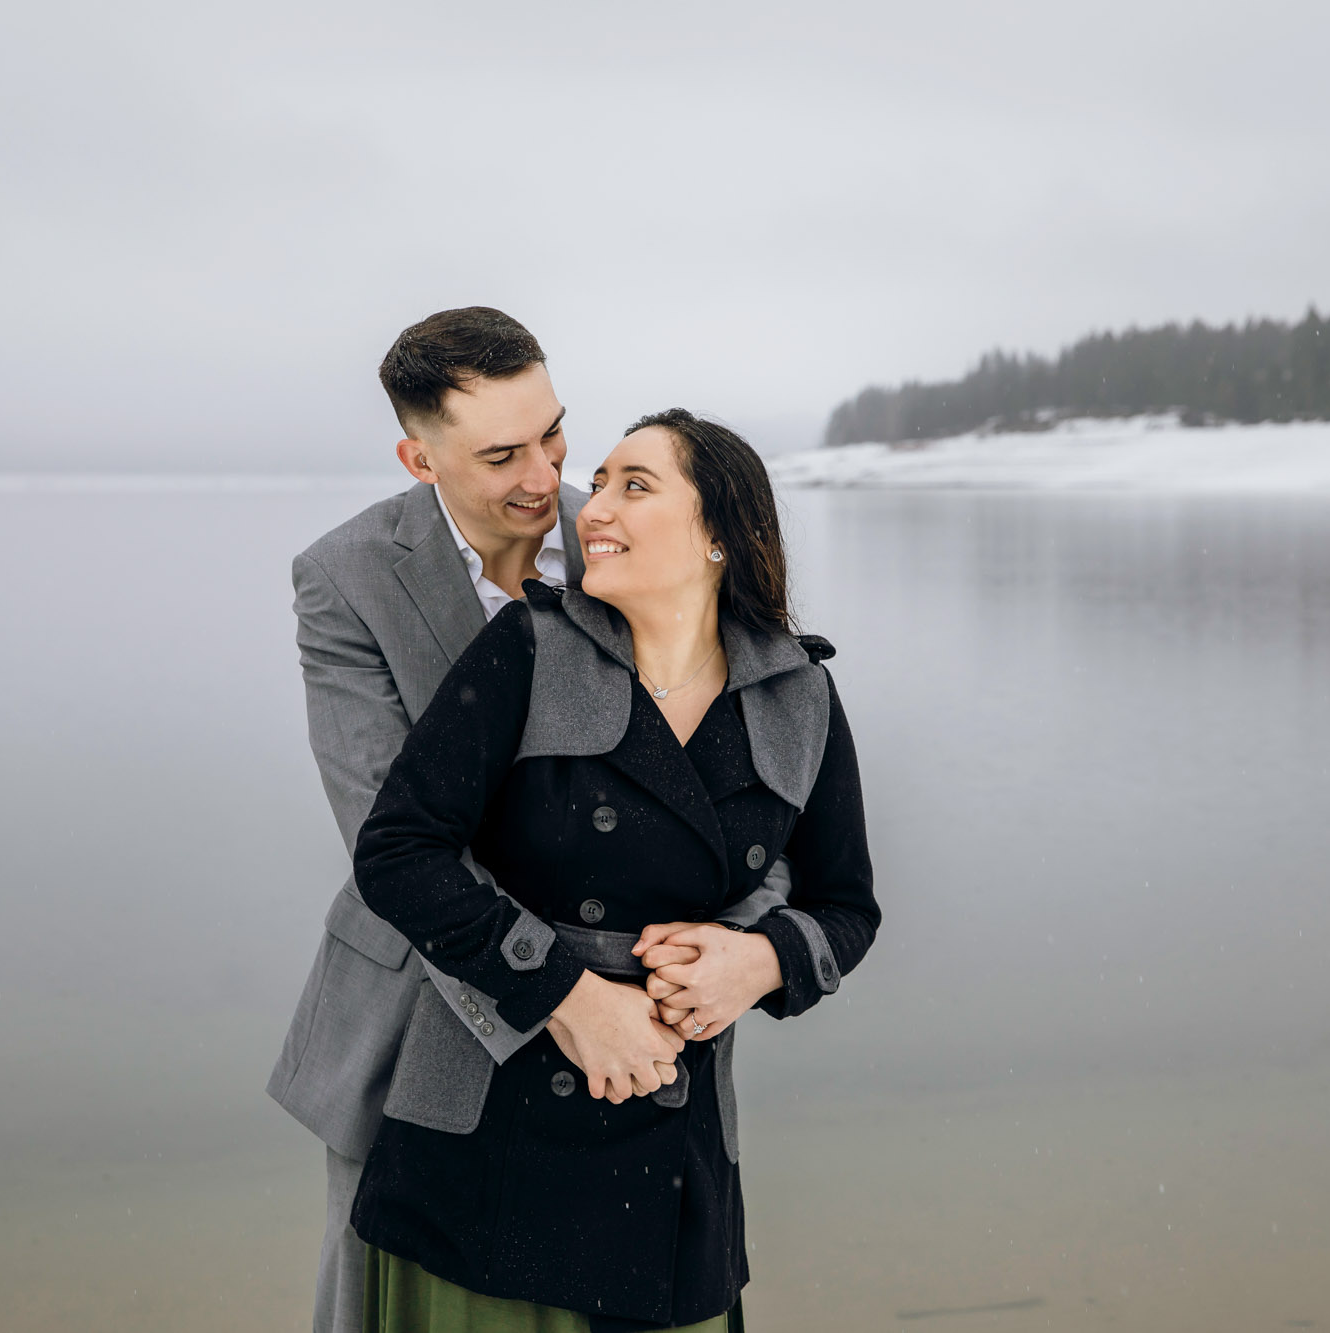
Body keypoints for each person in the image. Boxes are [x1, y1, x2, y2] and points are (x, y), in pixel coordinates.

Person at [265, 311, 794, 1333]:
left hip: (645, 1025)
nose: (542, 476)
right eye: (500, 453)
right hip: (417, 1011)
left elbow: (746, 788)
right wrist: (563, 998)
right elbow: (393, 835)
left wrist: (733, 954)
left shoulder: (626, 539)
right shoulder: (344, 579)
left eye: (552, 435)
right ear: (418, 457)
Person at [348, 410, 880, 1331]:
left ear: (719, 532)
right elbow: (399, 851)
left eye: (636, 485)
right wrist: (568, 996)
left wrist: (758, 963)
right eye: (598, 483)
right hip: (490, 1133)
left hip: (674, 1146)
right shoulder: (529, 648)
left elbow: (847, 906)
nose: (592, 507)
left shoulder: (800, 691)